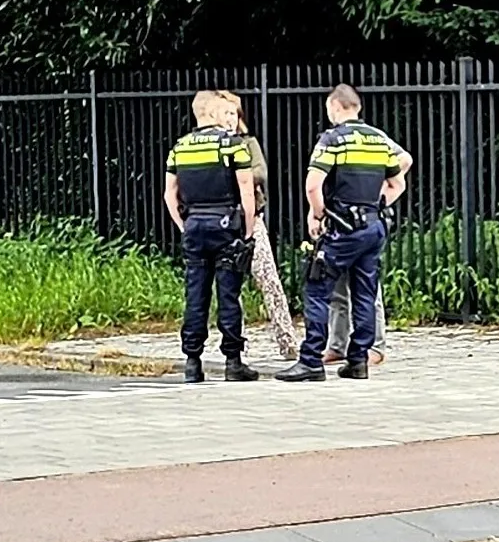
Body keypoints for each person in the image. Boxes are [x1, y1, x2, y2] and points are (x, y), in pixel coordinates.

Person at [279, 83, 411, 382]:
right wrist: (376, 207)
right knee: (364, 292)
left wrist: (317, 214)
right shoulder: (378, 140)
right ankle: (358, 360)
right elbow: (397, 183)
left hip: (341, 228)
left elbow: (313, 185)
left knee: (318, 288)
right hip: (373, 227)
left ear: (336, 107)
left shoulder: (333, 139)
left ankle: (310, 360)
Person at [162, 90, 261, 383]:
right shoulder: (232, 145)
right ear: (213, 112)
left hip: (194, 225)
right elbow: (246, 189)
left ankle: (193, 362)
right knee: (229, 294)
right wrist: (249, 228)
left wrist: (183, 224)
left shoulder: (180, 147)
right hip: (226, 223)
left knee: (196, 294)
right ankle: (233, 361)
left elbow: (170, 193)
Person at [207, 90, 303, 360]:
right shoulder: (210, 144)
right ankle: (237, 344)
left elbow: (261, 172)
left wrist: (237, 172)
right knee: (228, 285)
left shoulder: (247, 143)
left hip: (251, 217)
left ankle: (287, 341)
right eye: (225, 114)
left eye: (233, 114)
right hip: (222, 220)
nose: (229, 119)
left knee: (268, 279)